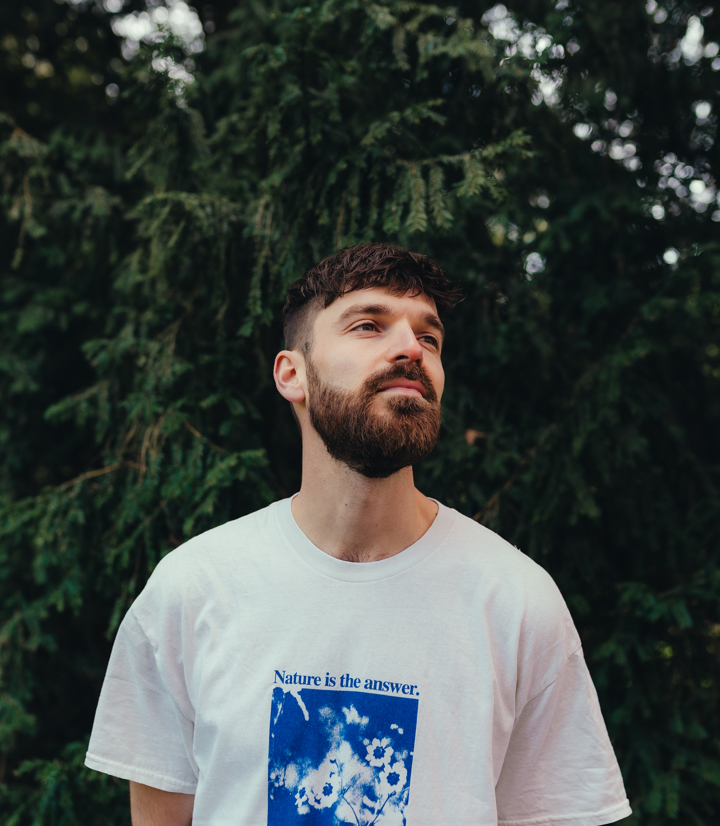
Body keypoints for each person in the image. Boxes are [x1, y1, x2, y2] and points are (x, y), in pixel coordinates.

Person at [86, 243, 632, 826]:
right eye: (369, 325)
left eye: (429, 337)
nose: (410, 348)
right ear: (292, 374)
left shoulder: (518, 600)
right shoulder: (193, 589)